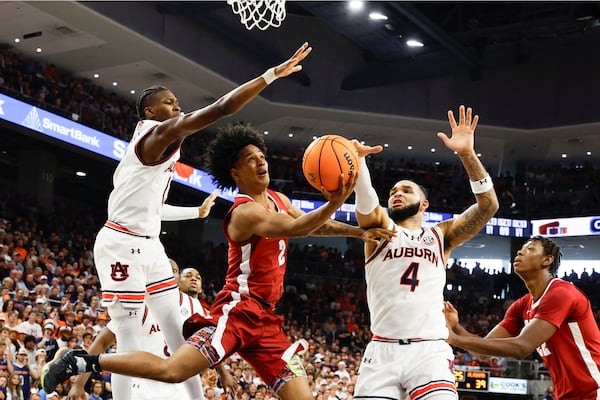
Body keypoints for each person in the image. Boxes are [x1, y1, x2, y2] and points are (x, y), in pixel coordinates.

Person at [42, 124, 393, 400]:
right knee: (174, 371)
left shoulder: (277, 198)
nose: (261, 161)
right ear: (235, 173)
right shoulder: (244, 212)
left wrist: (358, 233)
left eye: (261, 155)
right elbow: (298, 227)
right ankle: (83, 361)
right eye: (250, 159)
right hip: (237, 312)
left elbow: (315, 224)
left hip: (267, 321)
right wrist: (337, 198)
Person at [69, 42, 312, 400]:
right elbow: (221, 108)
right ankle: (90, 373)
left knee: (178, 328)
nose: (177, 106)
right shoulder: (155, 135)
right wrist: (271, 75)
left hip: (150, 242)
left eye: (177, 103)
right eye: (169, 102)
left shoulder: (159, 153)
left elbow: (150, 210)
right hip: (121, 242)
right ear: (150, 111)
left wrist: (194, 213)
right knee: (128, 333)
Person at [350, 105, 499, 400]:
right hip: (382, 351)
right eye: (393, 190)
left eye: (406, 189)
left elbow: (488, 206)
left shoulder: (440, 236)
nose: (397, 193)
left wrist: (467, 155)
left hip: (429, 350)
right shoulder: (379, 232)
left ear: (423, 204)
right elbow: (366, 204)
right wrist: (359, 165)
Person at [443, 236, 600, 399]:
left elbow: (521, 348)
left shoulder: (561, 293)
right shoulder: (521, 305)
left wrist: (453, 338)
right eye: (522, 248)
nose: (519, 251)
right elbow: (484, 352)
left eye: (530, 249)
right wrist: (456, 327)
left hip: (594, 391)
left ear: (547, 260)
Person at [64, 259, 236, 400]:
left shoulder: (194, 306)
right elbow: (101, 342)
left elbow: (209, 345)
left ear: (177, 278)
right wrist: (79, 385)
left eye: (173, 271)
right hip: (142, 387)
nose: (167, 273)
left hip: (179, 388)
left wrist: (223, 373)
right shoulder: (138, 305)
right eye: (162, 270)